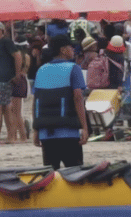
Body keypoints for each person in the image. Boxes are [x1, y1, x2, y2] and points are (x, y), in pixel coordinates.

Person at [32, 34, 88, 169]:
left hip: (46, 133)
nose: (74, 50)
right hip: (68, 132)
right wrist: (84, 127)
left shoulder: (41, 70)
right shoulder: (73, 69)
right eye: (71, 47)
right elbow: (78, 98)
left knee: (51, 176)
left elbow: (36, 102)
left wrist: (35, 130)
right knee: (74, 173)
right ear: (63, 50)